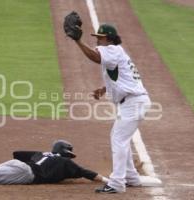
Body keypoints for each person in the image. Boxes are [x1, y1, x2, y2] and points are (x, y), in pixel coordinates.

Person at [70, 24, 151, 193]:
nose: (97, 40)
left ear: (109, 39)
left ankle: (117, 183)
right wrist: (103, 89)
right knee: (119, 137)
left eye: (100, 37)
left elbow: (95, 57)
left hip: (133, 102)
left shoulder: (113, 49)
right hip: (134, 101)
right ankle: (131, 177)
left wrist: (78, 41)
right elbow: (123, 78)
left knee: (119, 139)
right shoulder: (118, 53)